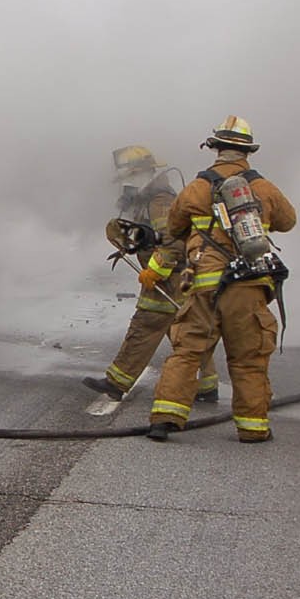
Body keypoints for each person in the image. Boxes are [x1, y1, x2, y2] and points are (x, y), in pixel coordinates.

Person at [147, 115, 296, 444]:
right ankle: (253, 428)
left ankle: (165, 419)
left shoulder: (197, 188)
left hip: (205, 286)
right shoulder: (263, 188)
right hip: (247, 286)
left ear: (215, 148)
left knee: (187, 352)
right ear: (247, 151)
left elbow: (173, 227)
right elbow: (289, 221)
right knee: (248, 359)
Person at [82, 145, 220, 405]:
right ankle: (207, 385)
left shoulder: (161, 202)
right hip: (172, 279)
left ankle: (116, 383)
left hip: (169, 279)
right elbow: (151, 238)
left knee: (144, 326)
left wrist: (154, 273)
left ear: (143, 173)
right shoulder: (148, 200)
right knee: (185, 332)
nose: (126, 185)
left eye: (129, 178)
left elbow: (174, 244)